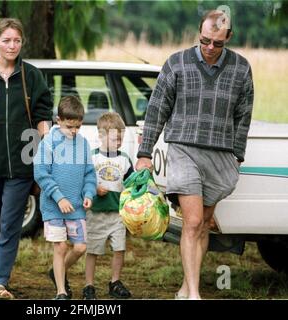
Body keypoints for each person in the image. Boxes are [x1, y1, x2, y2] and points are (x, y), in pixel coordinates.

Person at [136, 9, 254, 300]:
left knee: (202, 224)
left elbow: (244, 115)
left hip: (221, 155)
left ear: (229, 37)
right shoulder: (176, 63)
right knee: (191, 222)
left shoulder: (241, 68)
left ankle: (187, 287)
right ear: (198, 34)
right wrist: (144, 152)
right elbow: (156, 109)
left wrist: (237, 155)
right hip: (184, 150)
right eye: (205, 41)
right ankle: (194, 294)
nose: (210, 48)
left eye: (217, 43)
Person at [0, 18, 53, 299]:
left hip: (24, 161)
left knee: (10, 222)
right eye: (6, 40)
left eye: (17, 40)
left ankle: (1, 279)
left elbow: (44, 111)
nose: (12, 46)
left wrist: (46, 145)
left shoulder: (31, 75)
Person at [34, 96, 97, 300]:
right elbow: (41, 173)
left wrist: (88, 193)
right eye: (70, 126)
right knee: (60, 247)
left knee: (80, 247)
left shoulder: (83, 143)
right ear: (58, 120)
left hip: (76, 206)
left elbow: (89, 173)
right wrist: (59, 198)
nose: (74, 131)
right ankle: (61, 292)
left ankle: (57, 271)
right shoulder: (49, 142)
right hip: (54, 206)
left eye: (78, 126)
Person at [83, 112, 133, 300]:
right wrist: (94, 188)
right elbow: (83, 180)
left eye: (121, 138)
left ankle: (115, 281)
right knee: (93, 250)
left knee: (119, 248)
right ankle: (89, 285)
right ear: (101, 136)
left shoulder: (125, 159)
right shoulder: (92, 158)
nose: (118, 142)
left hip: (117, 213)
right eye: (114, 139)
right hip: (96, 212)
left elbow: (130, 184)